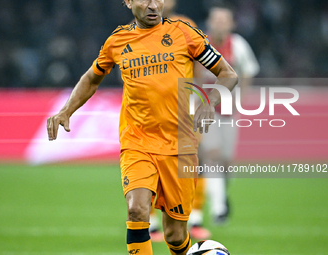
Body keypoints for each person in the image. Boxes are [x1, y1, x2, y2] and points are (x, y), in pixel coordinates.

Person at [47, 1, 238, 254]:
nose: (152, 5)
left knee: (175, 234)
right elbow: (93, 77)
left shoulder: (184, 33)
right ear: (128, 2)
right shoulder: (117, 41)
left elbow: (228, 73)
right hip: (137, 142)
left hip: (179, 145)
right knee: (137, 210)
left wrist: (209, 102)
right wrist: (66, 110)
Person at [147, 0, 211, 242]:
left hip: (185, 103)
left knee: (195, 159)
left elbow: (200, 64)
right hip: (151, 109)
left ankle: (194, 219)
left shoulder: (186, 25)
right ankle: (152, 224)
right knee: (152, 161)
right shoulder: (135, 29)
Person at [197, 4, 260, 225]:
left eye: (224, 20)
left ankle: (220, 195)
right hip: (205, 111)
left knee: (226, 163)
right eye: (216, 20)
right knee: (212, 154)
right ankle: (219, 209)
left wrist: (240, 101)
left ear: (232, 23)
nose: (220, 24)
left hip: (229, 113)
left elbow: (248, 71)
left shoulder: (239, 45)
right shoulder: (200, 45)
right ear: (209, 22)